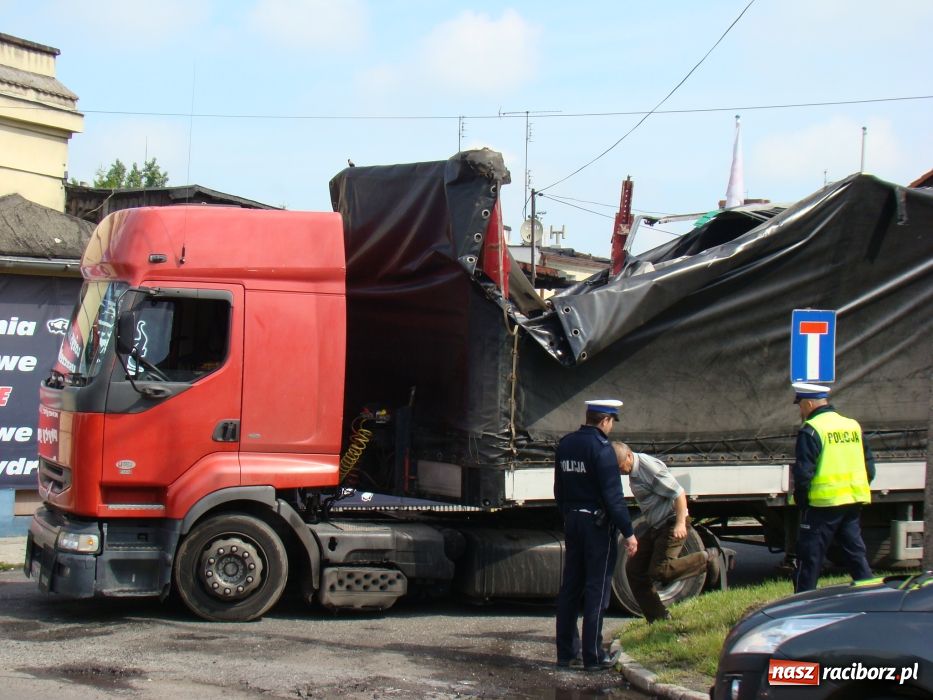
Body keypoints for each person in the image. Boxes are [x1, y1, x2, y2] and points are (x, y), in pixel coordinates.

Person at [554, 399, 638, 672]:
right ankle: (593, 656)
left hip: (573, 521)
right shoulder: (602, 450)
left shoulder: (566, 443)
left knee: (570, 588)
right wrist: (628, 531)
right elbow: (614, 499)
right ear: (605, 421)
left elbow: (559, 489)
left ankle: (566, 653)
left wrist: (568, 515)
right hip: (597, 526)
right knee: (597, 589)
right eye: (612, 422)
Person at [613, 442, 720, 623]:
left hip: (671, 522)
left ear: (629, 456)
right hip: (656, 526)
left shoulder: (648, 468)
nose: (620, 471)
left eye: (620, 466)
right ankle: (658, 618)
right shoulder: (633, 470)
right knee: (634, 569)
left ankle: (707, 559)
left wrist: (680, 524)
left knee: (660, 571)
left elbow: (678, 493)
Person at [791, 382, 875, 592]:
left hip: (822, 506)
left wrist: (803, 503)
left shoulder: (811, 430)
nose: (800, 410)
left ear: (809, 404)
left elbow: (803, 474)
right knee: (856, 556)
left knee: (809, 559)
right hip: (852, 502)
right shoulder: (852, 426)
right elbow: (870, 468)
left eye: (800, 404)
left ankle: (801, 605)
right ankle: (870, 598)